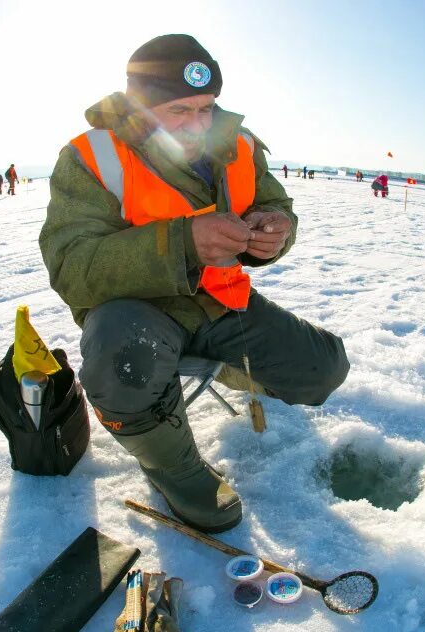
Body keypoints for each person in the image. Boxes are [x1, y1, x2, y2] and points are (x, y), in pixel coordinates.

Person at [40, 34, 349, 533]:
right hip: (138, 313)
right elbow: (70, 266)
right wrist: (182, 243)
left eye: (206, 108)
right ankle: (173, 470)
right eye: (179, 110)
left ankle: (228, 370)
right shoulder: (92, 155)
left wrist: (275, 231)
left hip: (221, 303)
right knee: (124, 359)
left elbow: (275, 204)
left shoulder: (239, 143)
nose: (198, 123)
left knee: (324, 368)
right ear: (141, 105)